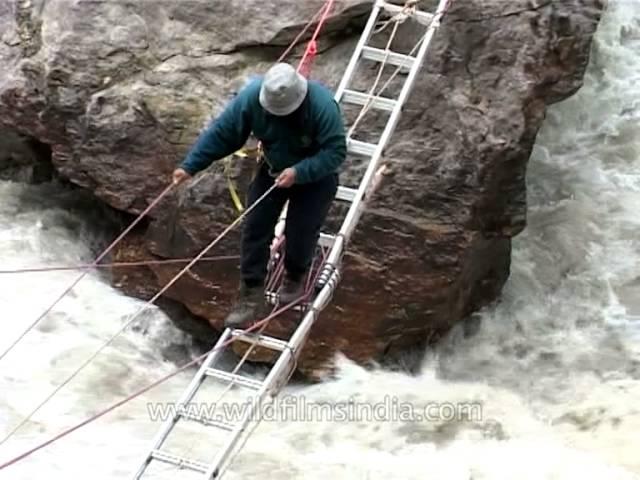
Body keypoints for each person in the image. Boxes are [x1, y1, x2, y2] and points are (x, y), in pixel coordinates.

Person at [172, 62, 347, 328]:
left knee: (301, 230)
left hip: (315, 178)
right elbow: (223, 133)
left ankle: (295, 276)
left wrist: (300, 172)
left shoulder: (322, 107)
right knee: (255, 226)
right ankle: (251, 293)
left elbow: (335, 153)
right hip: (273, 168)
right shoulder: (252, 97)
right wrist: (190, 165)